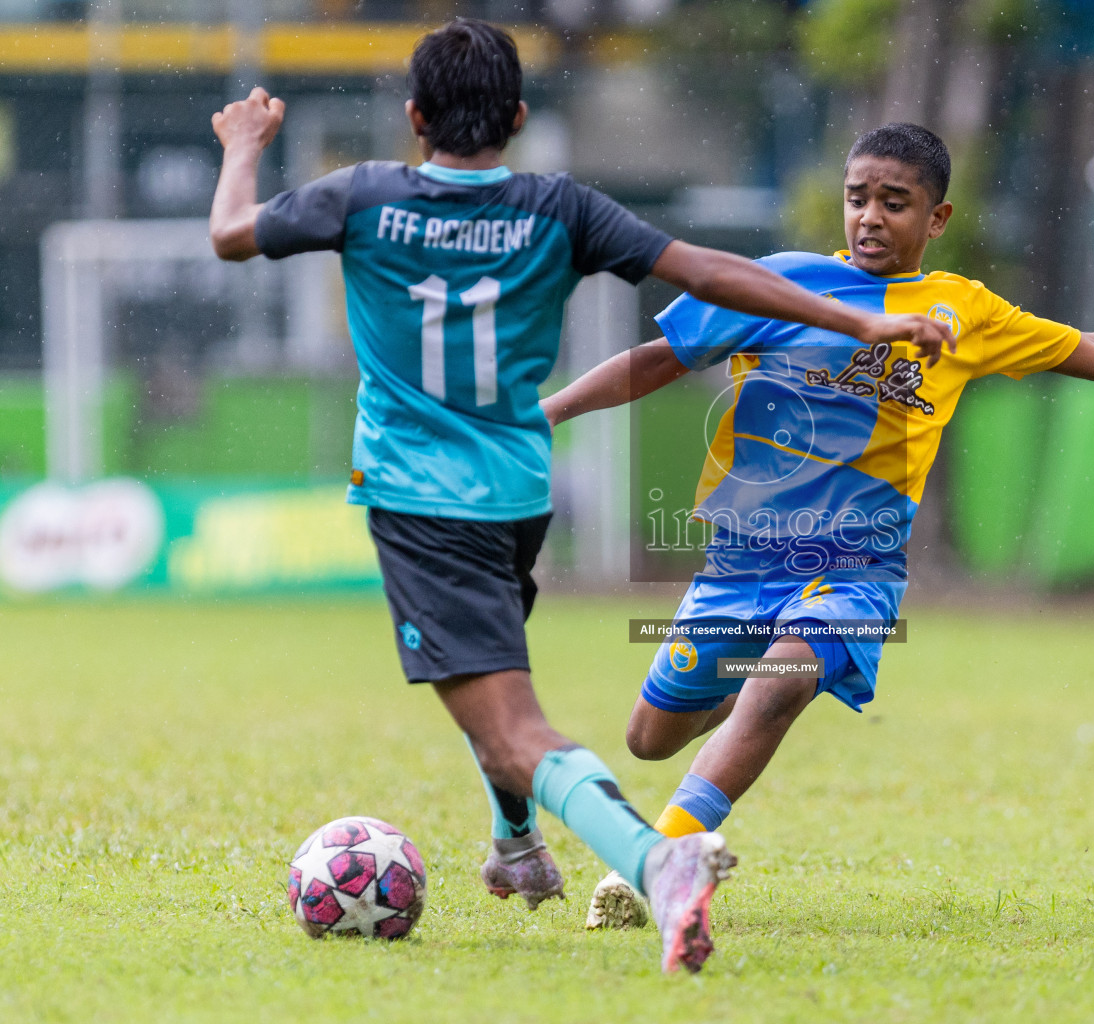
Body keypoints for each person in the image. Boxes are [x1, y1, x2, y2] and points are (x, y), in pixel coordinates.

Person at [206, 19, 953, 974]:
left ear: (413, 117)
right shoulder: (560, 207)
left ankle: (657, 862)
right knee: (490, 688)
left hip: (419, 497)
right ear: (517, 117)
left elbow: (232, 235)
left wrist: (242, 149)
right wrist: (856, 315)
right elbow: (716, 272)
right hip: (517, 490)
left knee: (509, 720)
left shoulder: (365, 195)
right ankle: (515, 843)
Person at [539, 122, 1094, 930]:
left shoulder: (962, 310)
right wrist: (550, 411)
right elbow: (658, 357)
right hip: (741, 567)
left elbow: (1092, 349)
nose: (870, 217)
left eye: (894, 201)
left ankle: (656, 862)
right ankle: (719, 719)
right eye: (857, 199)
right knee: (650, 736)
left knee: (781, 686)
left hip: (854, 569)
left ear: (937, 218)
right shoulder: (779, 285)